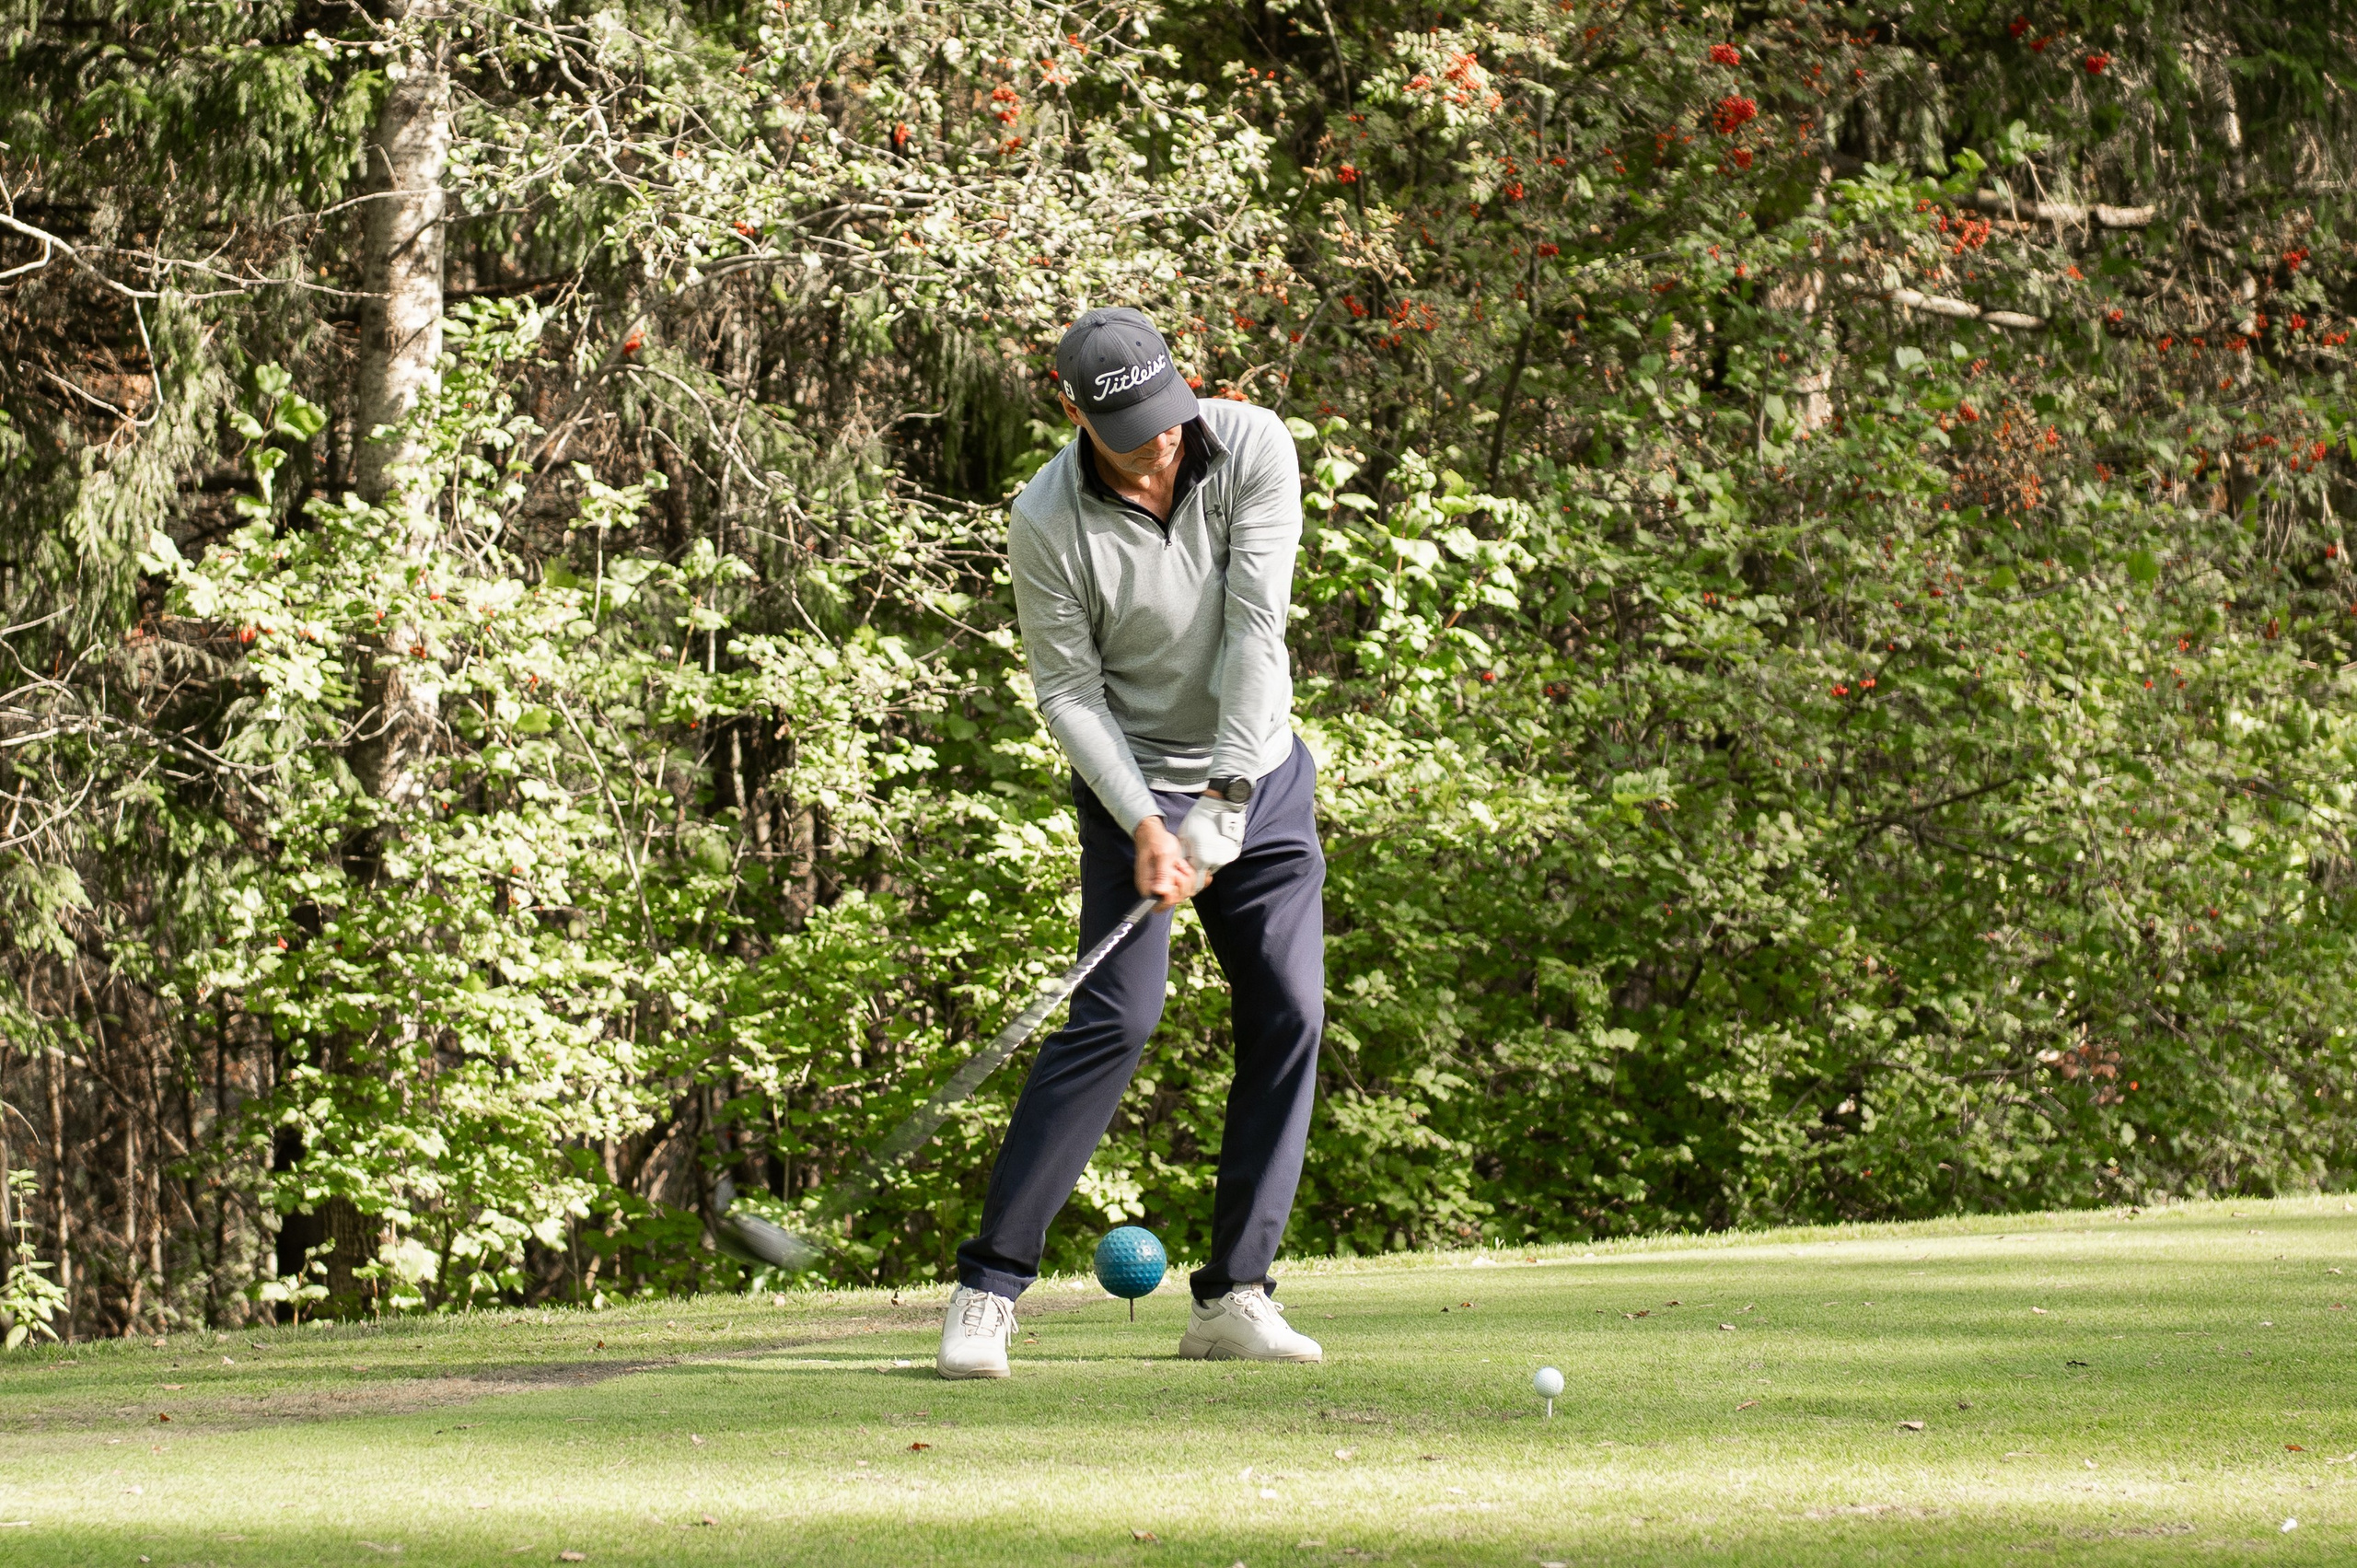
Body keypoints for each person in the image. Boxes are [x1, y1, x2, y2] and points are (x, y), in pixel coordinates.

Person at [937, 307, 1326, 1377]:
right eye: (1129, 430)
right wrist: (1149, 821)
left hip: (1259, 769)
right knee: (1117, 1016)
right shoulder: (1044, 517)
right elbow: (1067, 690)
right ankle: (987, 1288)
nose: (1158, 444)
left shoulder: (1250, 445)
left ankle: (1234, 1295)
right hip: (1135, 783)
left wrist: (1228, 792)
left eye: (1166, 415)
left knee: (1290, 1010)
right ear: (1073, 413)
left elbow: (1257, 623)